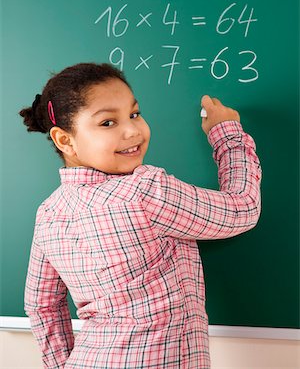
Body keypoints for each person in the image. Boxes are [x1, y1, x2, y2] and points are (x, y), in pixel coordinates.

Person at [20, 62, 261, 369]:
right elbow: (243, 208)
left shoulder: (49, 212)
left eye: (134, 114)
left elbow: (42, 305)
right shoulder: (145, 191)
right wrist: (226, 134)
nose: (132, 130)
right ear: (65, 140)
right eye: (108, 123)